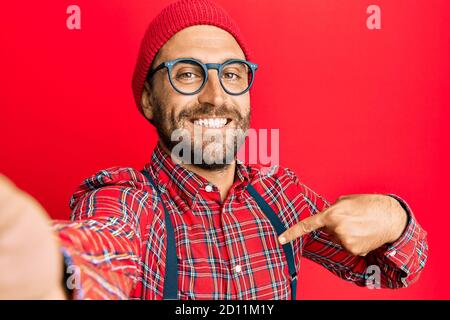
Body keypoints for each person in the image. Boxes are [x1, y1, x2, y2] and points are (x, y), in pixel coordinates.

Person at [0, 0, 428, 300]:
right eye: (187, 74)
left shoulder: (282, 196)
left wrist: (393, 216)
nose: (214, 95)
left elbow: (393, 270)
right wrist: (49, 269)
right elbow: (105, 244)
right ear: (148, 99)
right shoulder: (129, 198)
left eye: (232, 73)